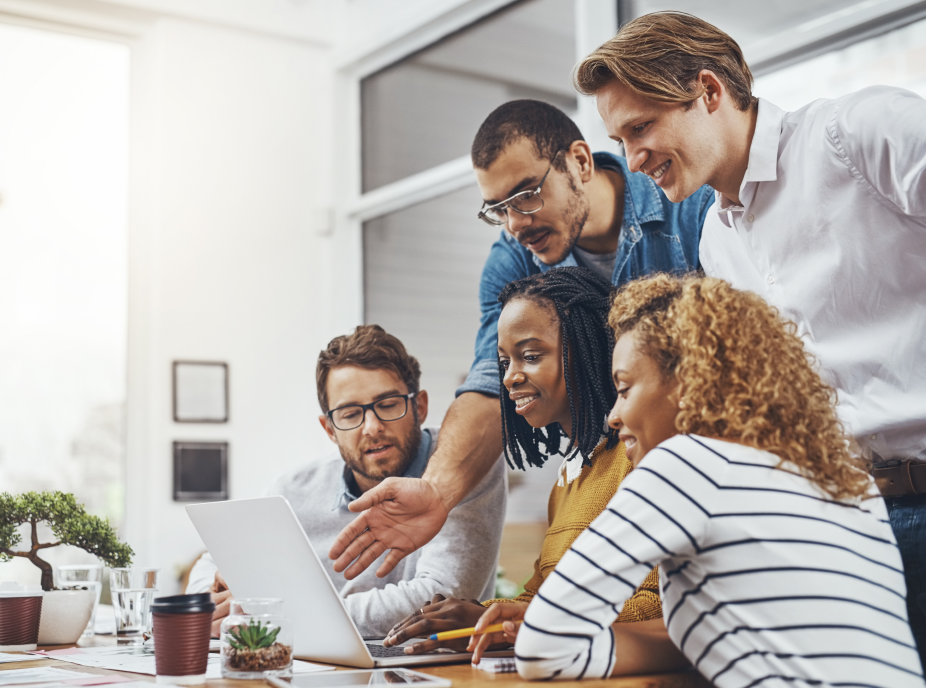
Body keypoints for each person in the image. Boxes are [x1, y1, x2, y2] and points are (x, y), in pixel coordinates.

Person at [574, 10, 926, 666]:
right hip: (862, 531)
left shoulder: (859, 134)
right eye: (619, 139)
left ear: (709, 92)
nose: (633, 158)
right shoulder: (715, 239)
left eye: (641, 127)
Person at [469, 273, 924, 686]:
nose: (613, 414)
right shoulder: (846, 480)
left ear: (689, 383)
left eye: (625, 388)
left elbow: (542, 648)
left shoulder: (682, 465)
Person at [330, 100, 714, 581]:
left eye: (526, 194)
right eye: (497, 208)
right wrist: (438, 490)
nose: (515, 223)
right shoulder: (512, 261)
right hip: (616, 481)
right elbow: (490, 382)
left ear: (579, 161)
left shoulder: (693, 211)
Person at [382, 267, 663, 657]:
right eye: (504, 362)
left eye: (530, 356)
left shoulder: (639, 458)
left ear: (587, 348)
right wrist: (475, 617)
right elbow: (542, 594)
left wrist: (525, 619)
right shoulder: (569, 476)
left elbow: (657, 605)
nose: (511, 377)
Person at [186, 325, 506, 637]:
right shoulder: (292, 489)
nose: (371, 427)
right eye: (350, 414)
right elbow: (210, 564)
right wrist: (222, 598)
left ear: (418, 406)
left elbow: (443, 597)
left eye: (388, 404)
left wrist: (279, 612)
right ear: (329, 429)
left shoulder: (465, 467)